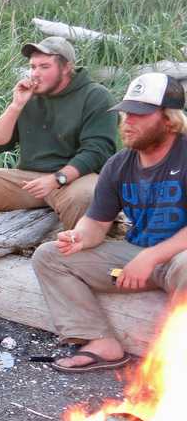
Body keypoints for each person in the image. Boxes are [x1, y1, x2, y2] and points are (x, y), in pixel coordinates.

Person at [32, 72, 187, 372]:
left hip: (178, 258)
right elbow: (96, 224)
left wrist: (152, 256)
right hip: (137, 256)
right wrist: (77, 237)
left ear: (169, 119)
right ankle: (101, 342)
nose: (127, 121)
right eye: (126, 112)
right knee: (50, 257)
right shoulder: (119, 164)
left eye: (139, 114)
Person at [0, 36, 118, 231]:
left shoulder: (96, 96)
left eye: (44, 67)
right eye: (32, 67)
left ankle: (71, 250)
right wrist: (16, 106)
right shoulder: (30, 95)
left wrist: (57, 179)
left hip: (76, 177)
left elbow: (98, 151)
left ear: (66, 67)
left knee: (85, 196)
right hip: (30, 179)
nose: (35, 74)